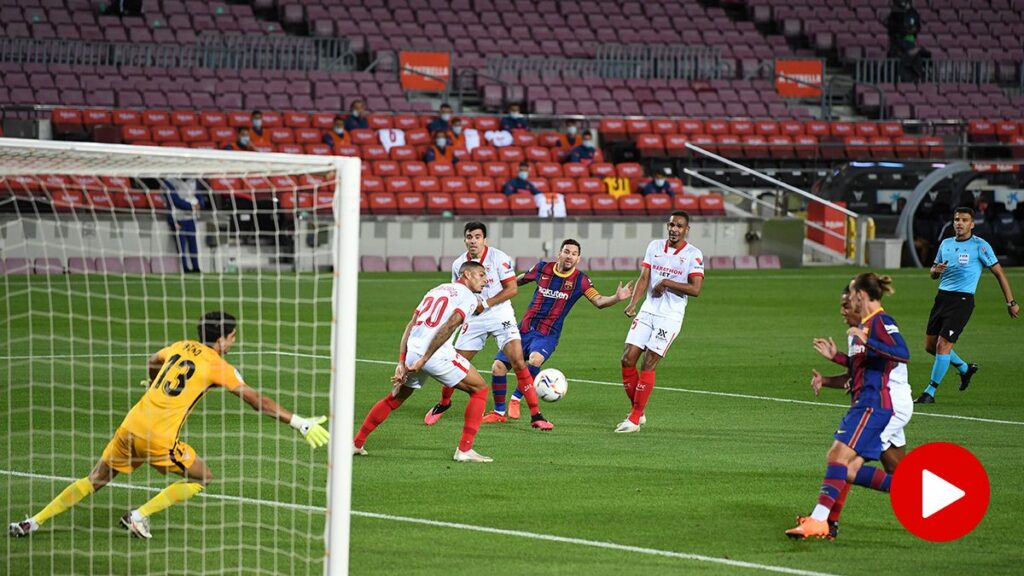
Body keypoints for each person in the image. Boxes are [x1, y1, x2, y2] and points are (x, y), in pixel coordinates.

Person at [8, 312, 329, 539]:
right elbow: (257, 400)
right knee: (203, 476)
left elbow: (151, 361)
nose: (232, 343)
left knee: (96, 479)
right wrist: (298, 423)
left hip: (130, 425)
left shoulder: (179, 346)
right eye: (232, 338)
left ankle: (32, 522)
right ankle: (138, 516)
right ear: (220, 339)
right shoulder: (219, 365)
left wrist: (153, 387)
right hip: (158, 438)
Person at [786, 273, 908, 539]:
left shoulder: (879, 322)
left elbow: (903, 353)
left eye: (851, 295)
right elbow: (858, 370)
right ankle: (828, 522)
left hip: (877, 404)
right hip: (867, 402)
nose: (847, 302)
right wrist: (835, 360)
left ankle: (822, 521)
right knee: (850, 469)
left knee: (838, 457)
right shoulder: (860, 329)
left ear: (860, 296)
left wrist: (868, 341)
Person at [353, 262, 496, 462]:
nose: (485, 280)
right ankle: (464, 450)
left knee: (395, 398)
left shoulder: (436, 290)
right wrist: (425, 359)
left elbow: (411, 325)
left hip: (413, 351)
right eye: (481, 275)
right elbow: (450, 325)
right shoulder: (467, 296)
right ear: (466, 274)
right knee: (479, 389)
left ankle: (356, 443)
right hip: (434, 353)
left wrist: (402, 361)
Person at [483, 239, 634, 422]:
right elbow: (519, 281)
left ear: (578, 258)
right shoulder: (542, 268)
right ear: (559, 254)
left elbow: (599, 301)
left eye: (573, 253)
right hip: (524, 328)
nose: (569, 256)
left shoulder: (581, 280)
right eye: (566, 251)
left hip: (547, 334)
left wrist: (616, 298)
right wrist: (497, 288)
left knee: (535, 359)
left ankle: (516, 399)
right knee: (498, 367)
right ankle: (498, 413)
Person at [423, 222, 554, 430]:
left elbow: (512, 289)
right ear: (465, 239)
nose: (473, 240)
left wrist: (486, 304)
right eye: (469, 237)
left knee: (518, 361)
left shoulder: (498, 258)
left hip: (499, 313)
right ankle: (444, 404)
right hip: (473, 318)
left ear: (485, 240)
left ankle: (536, 415)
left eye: (477, 236)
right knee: (454, 362)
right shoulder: (459, 264)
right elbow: (457, 292)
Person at [915, 207, 1018, 404]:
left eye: (964, 220)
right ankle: (965, 368)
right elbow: (933, 273)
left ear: (972, 224)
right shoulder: (945, 244)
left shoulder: (980, 246)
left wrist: (1010, 302)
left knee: (942, 346)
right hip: (942, 298)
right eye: (956, 219)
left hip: (962, 300)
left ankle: (930, 392)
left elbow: (999, 273)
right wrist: (935, 270)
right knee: (930, 346)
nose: (959, 223)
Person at [617, 211, 704, 433]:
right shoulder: (655, 247)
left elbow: (695, 289)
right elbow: (644, 277)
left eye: (680, 226)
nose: (675, 229)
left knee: (649, 361)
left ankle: (634, 419)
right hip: (648, 311)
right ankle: (638, 410)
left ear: (687, 230)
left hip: (670, 316)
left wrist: (667, 281)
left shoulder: (694, 255)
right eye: (672, 224)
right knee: (627, 359)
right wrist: (633, 303)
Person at [164, 178, 206, 273]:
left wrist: (200, 204)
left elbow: (199, 196)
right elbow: (175, 200)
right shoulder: (169, 181)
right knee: (181, 246)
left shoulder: (193, 180)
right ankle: (184, 268)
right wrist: (191, 206)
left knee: (193, 244)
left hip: (191, 218)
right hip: (178, 219)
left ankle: (196, 267)